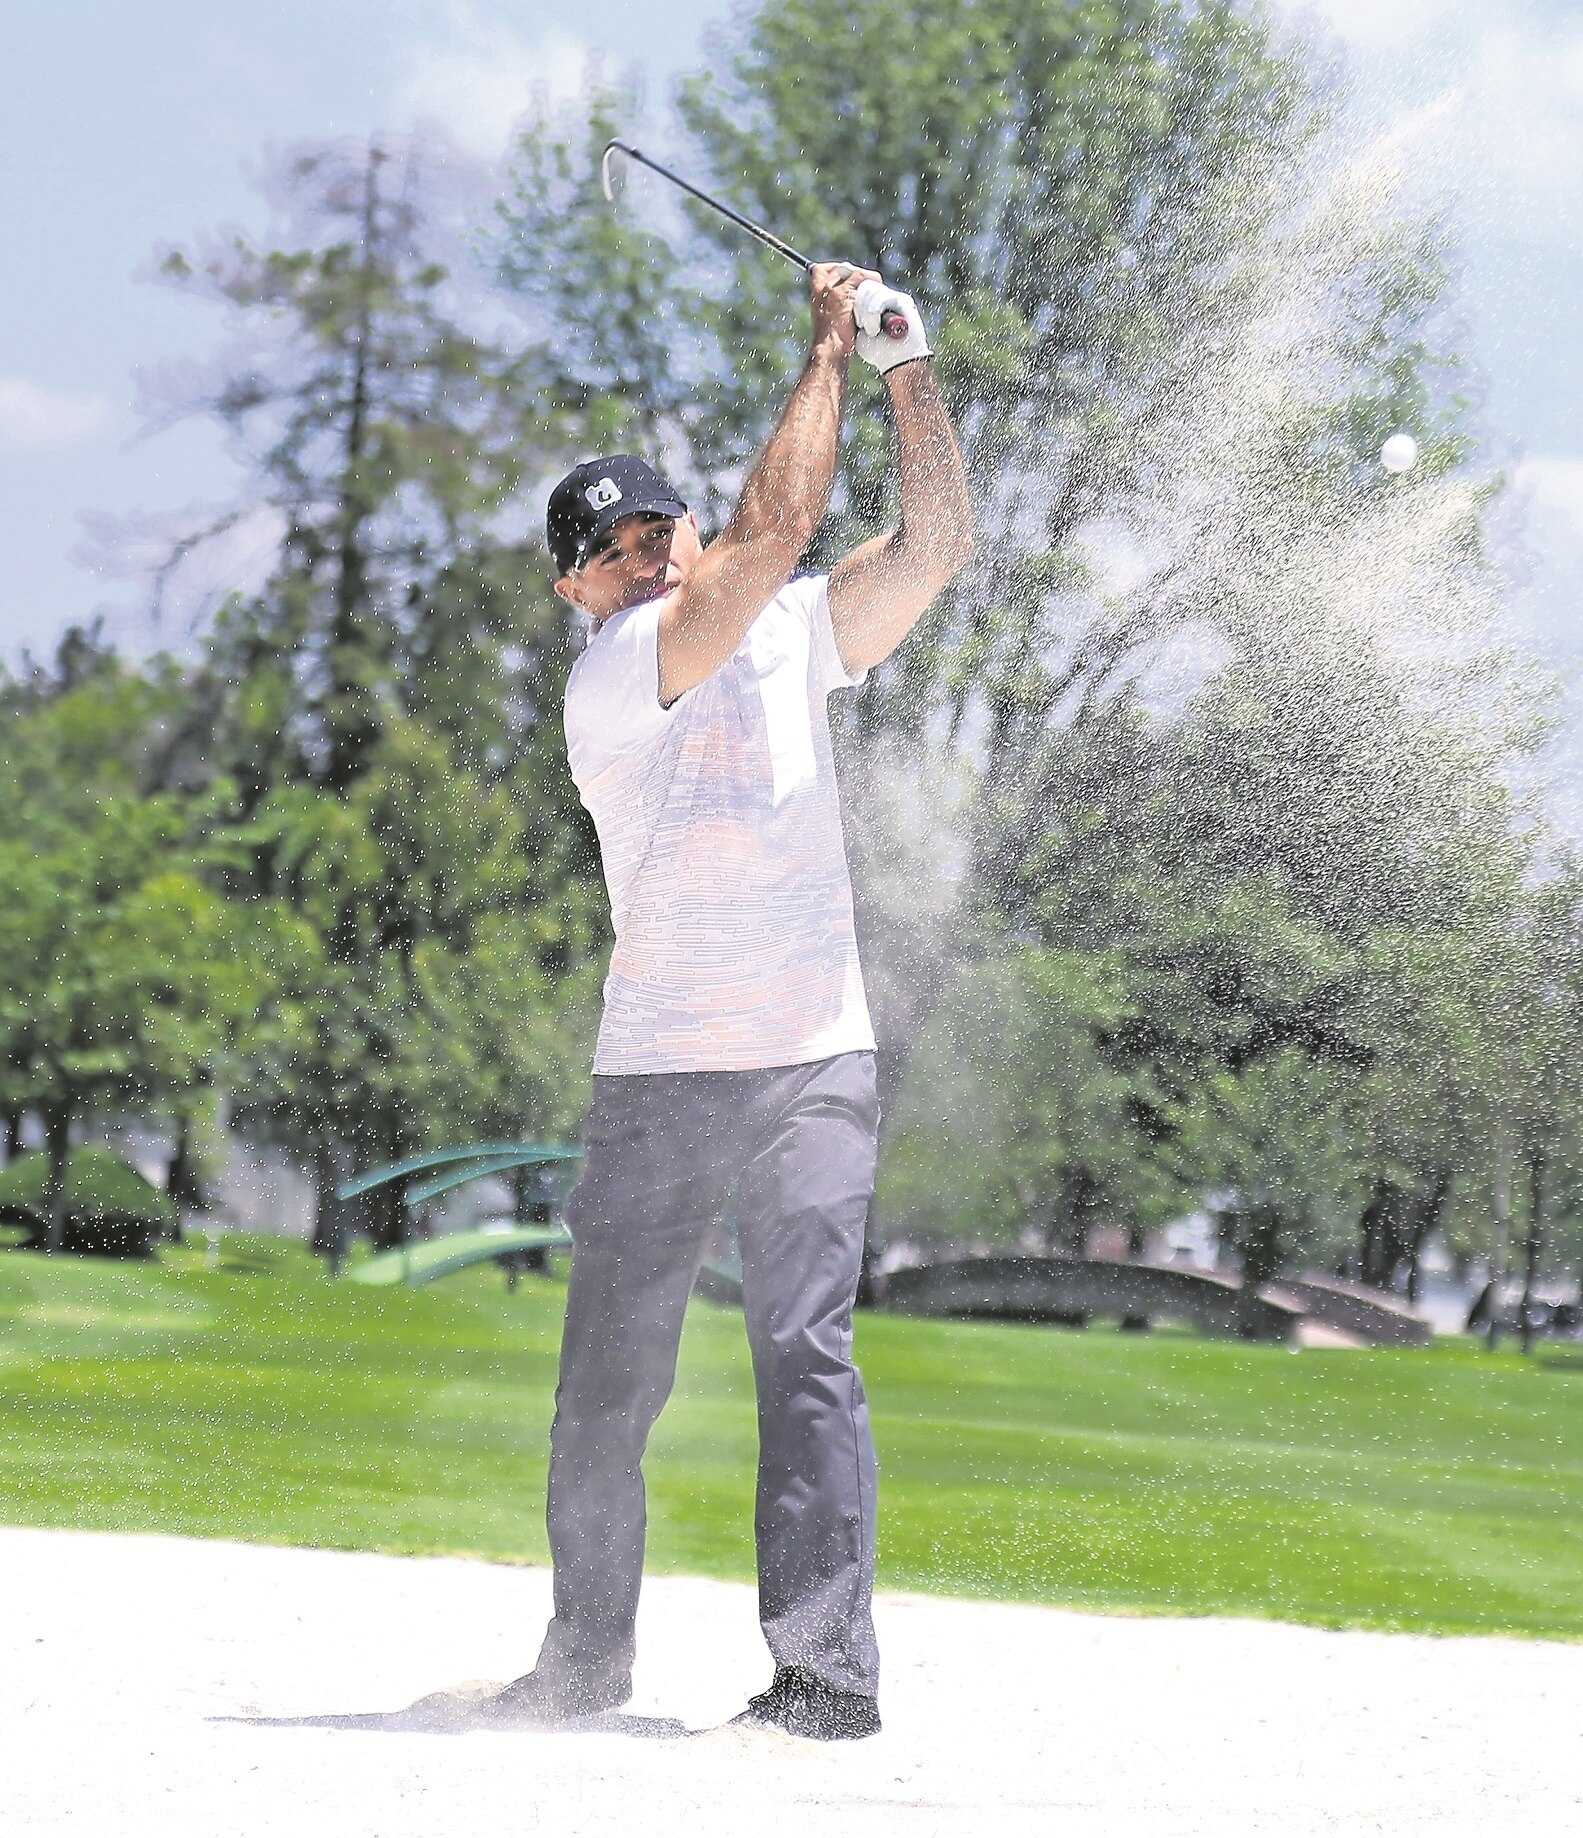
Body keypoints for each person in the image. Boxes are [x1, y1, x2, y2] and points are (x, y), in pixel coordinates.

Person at [486, 261, 971, 1738]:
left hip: (812, 1055)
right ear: (578, 589)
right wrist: (824, 343)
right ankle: (583, 1660)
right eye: (612, 548)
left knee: (805, 1357)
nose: (643, 552)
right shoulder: (622, 670)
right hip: (661, 1071)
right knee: (608, 1385)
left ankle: (823, 1679)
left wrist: (907, 370)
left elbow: (934, 546)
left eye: (657, 527)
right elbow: (765, 539)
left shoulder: (788, 628)